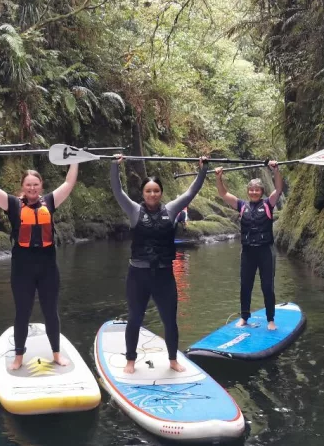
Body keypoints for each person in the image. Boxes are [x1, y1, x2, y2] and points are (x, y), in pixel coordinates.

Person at [0, 150, 79, 370]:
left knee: (50, 311)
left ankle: (56, 353)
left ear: (41, 186)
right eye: (28, 185)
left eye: (36, 185)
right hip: (22, 268)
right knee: (22, 312)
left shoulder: (50, 202)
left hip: (47, 267)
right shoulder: (13, 205)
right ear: (23, 187)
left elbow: (69, 183)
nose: (32, 188)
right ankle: (18, 356)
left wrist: (75, 160)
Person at [111, 155, 208, 374]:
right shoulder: (134, 210)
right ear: (143, 194)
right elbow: (118, 192)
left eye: (156, 191)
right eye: (148, 191)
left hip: (164, 275)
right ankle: (130, 361)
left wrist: (202, 170)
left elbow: (191, 192)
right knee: (135, 318)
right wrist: (114, 166)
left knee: (169, 320)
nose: (152, 194)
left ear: (161, 193)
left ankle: (173, 359)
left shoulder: (171, 210)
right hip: (138, 276)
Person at [214, 162, 283, 330]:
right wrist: (218, 177)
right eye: (251, 190)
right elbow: (223, 194)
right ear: (248, 192)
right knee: (246, 285)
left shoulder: (268, 204)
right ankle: (244, 317)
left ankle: (271, 320)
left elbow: (279, 189)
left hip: (265, 251)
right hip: (248, 252)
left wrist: (276, 170)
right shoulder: (241, 205)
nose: (254, 192)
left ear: (261, 191)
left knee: (267, 286)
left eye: (257, 190)